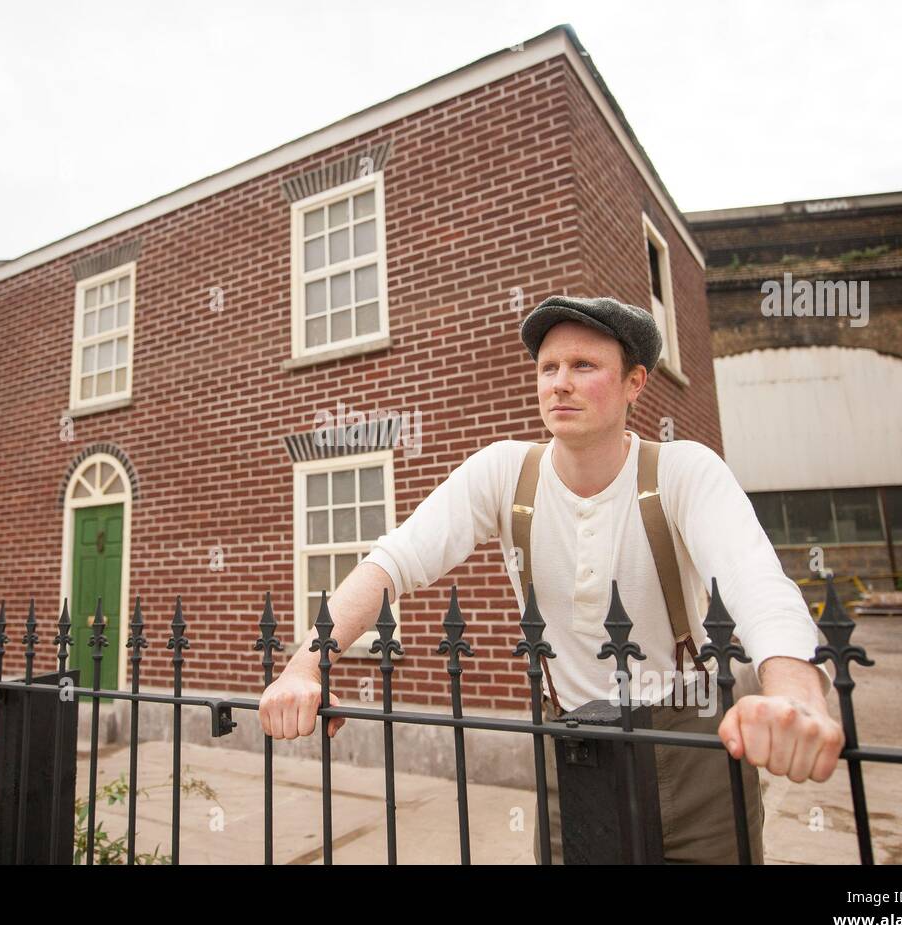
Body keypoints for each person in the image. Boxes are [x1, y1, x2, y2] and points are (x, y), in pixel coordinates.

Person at [258, 294, 843, 863]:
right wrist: (305, 664)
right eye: (548, 367)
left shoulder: (683, 471)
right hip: (572, 746)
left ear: (634, 383)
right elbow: (393, 560)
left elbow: (757, 582)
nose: (559, 382)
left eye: (583, 366)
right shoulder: (506, 472)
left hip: (692, 747)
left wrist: (794, 689)